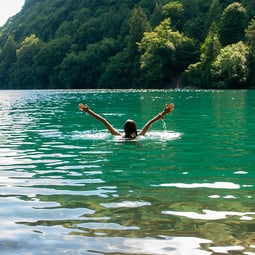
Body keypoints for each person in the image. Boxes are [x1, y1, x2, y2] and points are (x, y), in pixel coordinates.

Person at [79, 103, 174, 139]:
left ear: (124, 129)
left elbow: (103, 121)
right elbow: (150, 122)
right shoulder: (140, 136)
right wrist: (164, 113)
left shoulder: (118, 136)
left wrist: (88, 111)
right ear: (136, 129)